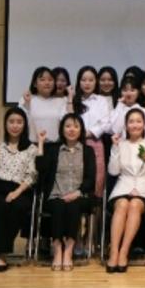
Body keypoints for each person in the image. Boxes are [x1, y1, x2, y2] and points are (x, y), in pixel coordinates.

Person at [0, 107, 45, 273]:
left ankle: (0, 253)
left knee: (17, 206)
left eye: (19, 122)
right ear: (5, 124)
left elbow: (32, 176)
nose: (15, 126)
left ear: (24, 125)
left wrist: (16, 193)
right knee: (0, 205)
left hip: (20, 189)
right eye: (11, 122)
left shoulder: (31, 149)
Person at [37, 114, 96, 272]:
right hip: (56, 195)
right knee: (58, 205)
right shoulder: (53, 149)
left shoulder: (88, 151)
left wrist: (77, 192)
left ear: (81, 130)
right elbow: (41, 169)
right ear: (62, 129)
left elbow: (91, 178)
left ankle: (69, 249)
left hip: (79, 195)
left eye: (76, 126)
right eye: (68, 126)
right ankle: (57, 248)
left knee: (73, 205)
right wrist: (41, 143)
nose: (72, 130)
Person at [105, 108, 145, 273]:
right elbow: (113, 171)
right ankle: (114, 251)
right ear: (126, 125)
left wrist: (140, 189)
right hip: (123, 187)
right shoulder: (120, 144)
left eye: (138, 121)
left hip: (144, 190)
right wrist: (115, 148)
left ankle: (124, 251)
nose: (135, 125)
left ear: (144, 125)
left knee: (135, 204)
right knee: (122, 204)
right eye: (131, 121)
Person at [71, 65, 110, 200]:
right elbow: (67, 119)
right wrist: (70, 99)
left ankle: (95, 208)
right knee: (76, 177)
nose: (87, 83)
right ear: (79, 82)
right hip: (74, 143)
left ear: (96, 81)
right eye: (84, 80)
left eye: (91, 80)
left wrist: (87, 134)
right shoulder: (73, 100)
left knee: (96, 178)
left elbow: (105, 122)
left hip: (95, 142)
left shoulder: (101, 100)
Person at [19, 66, 67, 144]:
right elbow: (21, 122)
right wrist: (27, 103)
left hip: (55, 145)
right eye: (42, 80)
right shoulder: (27, 99)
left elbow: (67, 123)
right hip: (33, 145)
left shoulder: (61, 101)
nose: (47, 83)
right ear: (35, 83)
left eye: (50, 80)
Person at [104, 75, 145, 141]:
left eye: (132, 90)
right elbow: (114, 130)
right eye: (125, 90)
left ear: (138, 92)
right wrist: (120, 105)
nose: (128, 94)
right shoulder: (117, 110)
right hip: (121, 145)